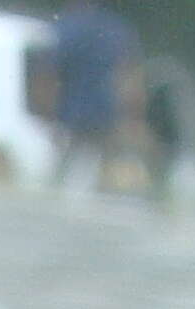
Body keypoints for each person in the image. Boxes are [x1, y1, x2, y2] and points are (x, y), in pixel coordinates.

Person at [42, 0, 134, 190]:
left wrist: (49, 118)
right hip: (105, 117)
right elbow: (128, 80)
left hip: (70, 116)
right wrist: (126, 119)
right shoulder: (116, 29)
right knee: (101, 181)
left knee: (60, 178)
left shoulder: (64, 28)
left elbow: (49, 77)